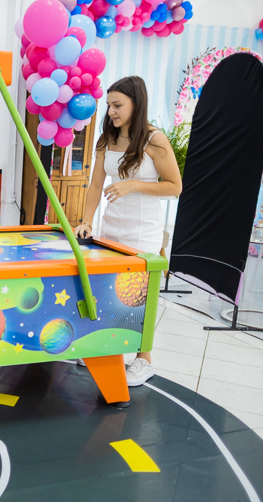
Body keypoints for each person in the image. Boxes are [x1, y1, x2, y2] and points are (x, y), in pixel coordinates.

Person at [73, 76, 181, 387]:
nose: (111, 112)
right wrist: (86, 220)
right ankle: (110, 348)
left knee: (139, 294)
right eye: (109, 105)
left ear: (137, 103)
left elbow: (175, 186)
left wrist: (134, 184)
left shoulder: (154, 140)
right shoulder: (106, 139)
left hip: (143, 230)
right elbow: (96, 185)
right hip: (112, 227)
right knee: (110, 290)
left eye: (118, 105)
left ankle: (144, 359)